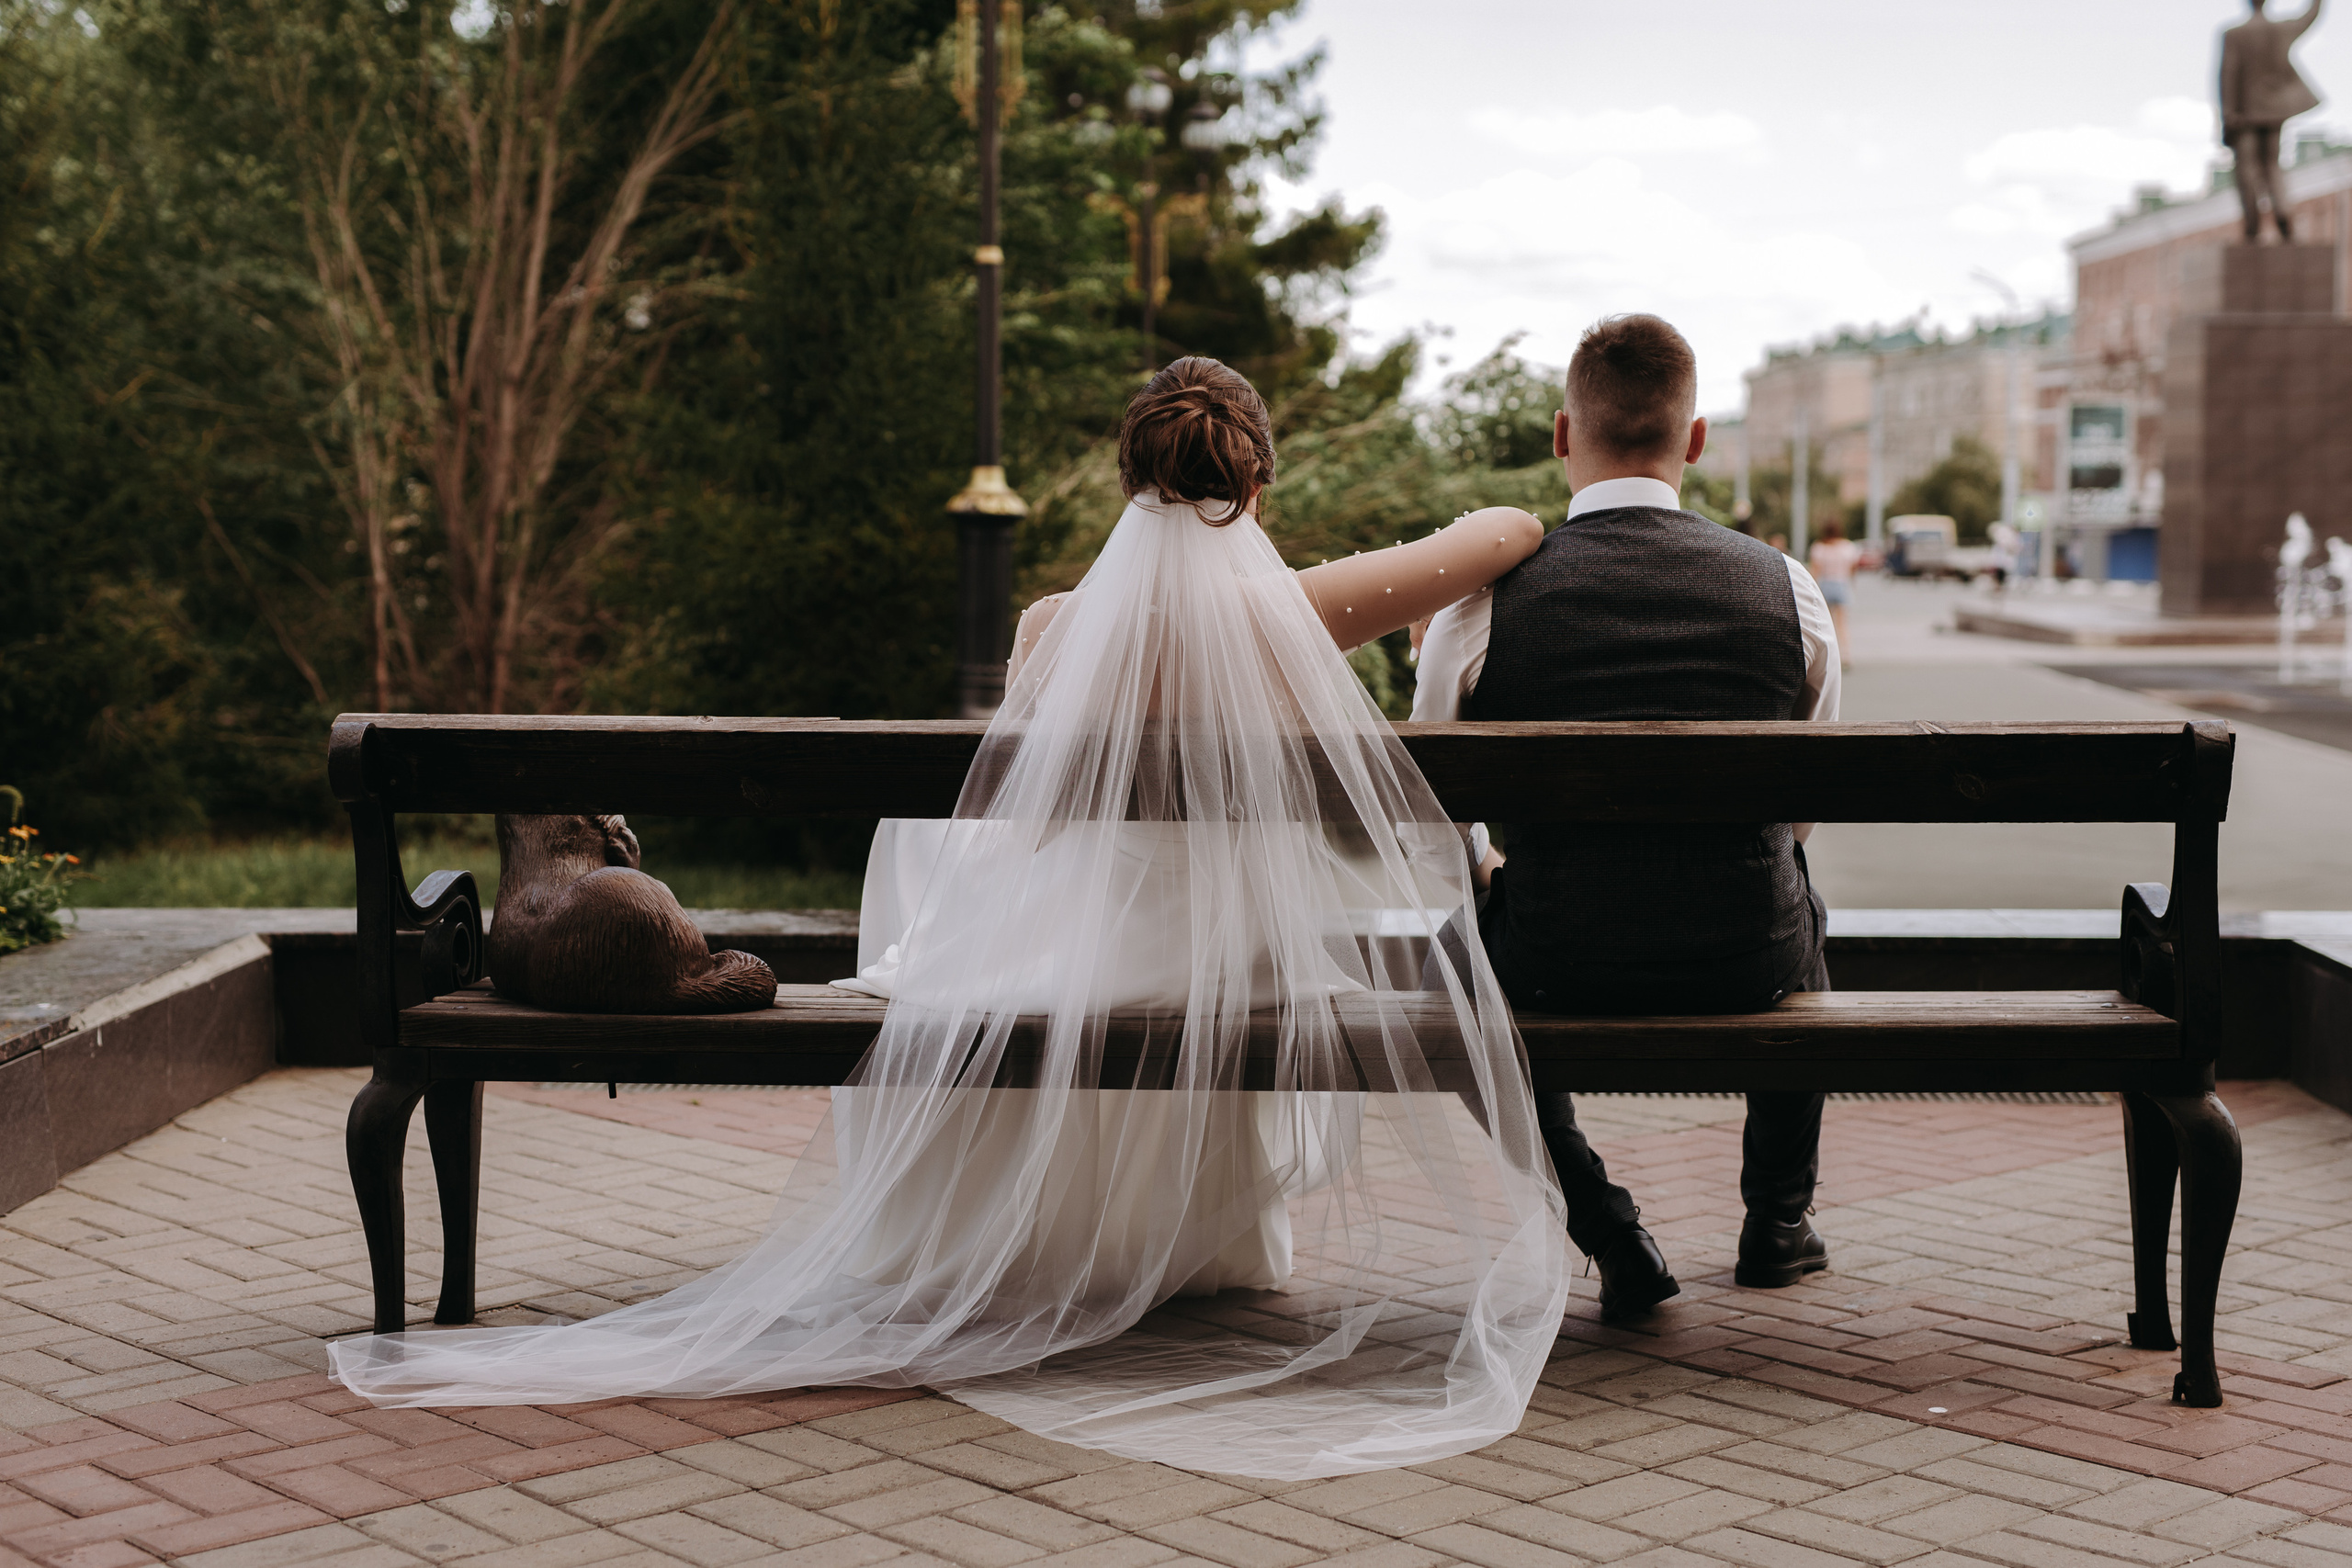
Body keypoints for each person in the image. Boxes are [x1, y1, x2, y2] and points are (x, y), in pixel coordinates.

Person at [332, 357, 1575, 1481]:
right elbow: (1505, 530)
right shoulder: (1295, 609)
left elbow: (1029, 827)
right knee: (1220, 940)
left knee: (967, 894)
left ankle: (1038, 1234)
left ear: (1127, 476)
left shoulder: (1052, 624)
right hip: (1225, 967)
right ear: (1255, 481)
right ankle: (1184, 1243)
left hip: (1093, 960)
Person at [1413, 314, 1841, 1320]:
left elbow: (1431, 807)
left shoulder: (1483, 606)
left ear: (1564, 433)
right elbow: (1805, 806)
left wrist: (1485, 870)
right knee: (1798, 899)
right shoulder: (1788, 590)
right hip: (1747, 954)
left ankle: (1611, 1234)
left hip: (1553, 953)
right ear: (1697, 440)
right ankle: (1777, 1221)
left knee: (1446, 970)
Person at [2221, 0, 2324, 243]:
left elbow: (2228, 73)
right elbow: (2309, 16)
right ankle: (2283, 213)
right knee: (2272, 164)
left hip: (2246, 114)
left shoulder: (2235, 34)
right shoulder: (2280, 29)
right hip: (2274, 110)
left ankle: (2252, 224)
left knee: (2247, 168)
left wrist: (2228, 112)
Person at [1808, 520, 1860, 664]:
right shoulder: (1848, 547)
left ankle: (1829, 656)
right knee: (1842, 623)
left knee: (1826, 624)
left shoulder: (1819, 548)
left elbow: (1815, 570)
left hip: (1825, 585)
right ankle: (1845, 654)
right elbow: (1853, 568)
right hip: (1842, 584)